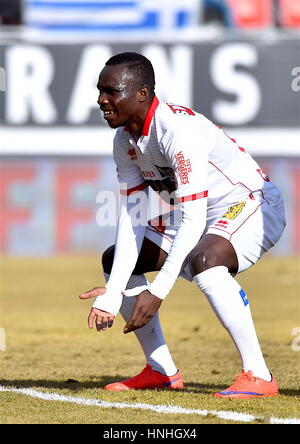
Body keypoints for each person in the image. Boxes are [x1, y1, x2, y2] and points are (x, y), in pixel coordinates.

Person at [79, 52, 286, 398]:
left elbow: (192, 220)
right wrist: (113, 293)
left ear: (141, 94)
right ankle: (161, 371)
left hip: (249, 204)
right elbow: (133, 217)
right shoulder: (124, 142)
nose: (102, 100)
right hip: (198, 214)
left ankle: (259, 375)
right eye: (100, 91)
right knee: (115, 259)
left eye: (111, 91)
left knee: (205, 261)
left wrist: (157, 292)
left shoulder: (177, 130)